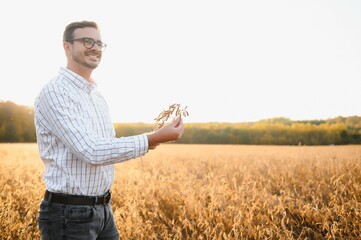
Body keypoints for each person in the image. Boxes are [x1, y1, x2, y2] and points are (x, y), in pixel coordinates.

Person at [34, 20, 184, 240]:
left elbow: (107, 146)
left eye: (99, 43)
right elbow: (91, 151)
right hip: (69, 214)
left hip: (103, 209)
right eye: (87, 41)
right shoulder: (55, 92)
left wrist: (155, 136)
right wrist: (152, 139)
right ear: (67, 46)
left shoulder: (97, 96)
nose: (95, 47)